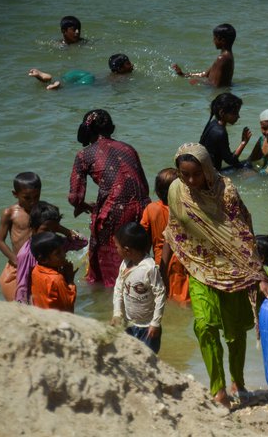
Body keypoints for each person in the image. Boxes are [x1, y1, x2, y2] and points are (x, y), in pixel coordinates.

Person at [163, 143, 268, 409]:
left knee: (234, 333)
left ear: (208, 169)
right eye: (184, 174)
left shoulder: (226, 193)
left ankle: (238, 381)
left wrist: (260, 274)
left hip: (232, 269)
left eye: (196, 174)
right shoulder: (176, 190)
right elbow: (173, 228)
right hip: (199, 266)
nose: (190, 180)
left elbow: (242, 235)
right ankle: (219, 390)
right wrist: (162, 266)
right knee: (204, 326)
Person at [68, 109, 151, 288]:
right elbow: (143, 184)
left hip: (115, 211)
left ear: (87, 130)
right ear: (110, 128)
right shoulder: (128, 148)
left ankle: (105, 301)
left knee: (107, 266)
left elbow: (75, 197)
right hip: (145, 207)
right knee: (138, 257)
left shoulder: (84, 154)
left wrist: (82, 205)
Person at [15, 201, 87, 305]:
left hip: (58, 291)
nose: (50, 233)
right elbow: (22, 286)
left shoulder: (56, 244)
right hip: (40, 299)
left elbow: (83, 242)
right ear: (33, 229)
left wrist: (63, 230)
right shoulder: (26, 254)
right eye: (45, 229)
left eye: (54, 230)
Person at [110, 222, 167, 353]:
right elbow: (118, 289)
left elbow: (160, 294)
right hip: (129, 324)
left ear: (127, 250)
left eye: (117, 247)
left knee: (148, 358)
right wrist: (117, 313)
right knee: (130, 356)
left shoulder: (149, 268)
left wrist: (156, 323)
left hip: (148, 327)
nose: (116, 250)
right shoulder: (125, 264)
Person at [140, 168, 189, 303]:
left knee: (163, 297)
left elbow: (142, 240)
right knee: (183, 300)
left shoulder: (151, 209)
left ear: (156, 190)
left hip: (160, 261)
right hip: (183, 262)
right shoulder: (185, 210)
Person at [0, 172, 41, 301]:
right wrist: (15, 260)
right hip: (17, 264)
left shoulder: (42, 210)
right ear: (15, 194)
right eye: (27, 198)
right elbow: (0, 241)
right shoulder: (9, 213)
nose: (33, 201)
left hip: (39, 263)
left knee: (39, 301)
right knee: (16, 300)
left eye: (36, 196)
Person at [172, 23, 236, 87]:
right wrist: (183, 74)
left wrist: (198, 81)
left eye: (214, 38)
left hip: (216, 94)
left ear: (222, 40)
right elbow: (205, 74)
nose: (213, 41)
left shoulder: (222, 58)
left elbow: (215, 85)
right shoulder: (227, 57)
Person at [199, 93, 251, 172]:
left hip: (202, 167)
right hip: (211, 173)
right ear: (222, 113)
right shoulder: (220, 132)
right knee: (248, 166)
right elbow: (230, 160)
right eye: (235, 113)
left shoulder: (213, 123)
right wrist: (244, 142)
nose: (238, 116)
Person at [30, 232, 77, 312]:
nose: (64, 255)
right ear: (43, 259)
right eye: (58, 253)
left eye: (63, 251)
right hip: (57, 320)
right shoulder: (57, 279)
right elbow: (68, 304)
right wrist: (70, 280)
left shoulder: (35, 270)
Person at [246, 109, 268, 173]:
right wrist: (246, 168)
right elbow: (252, 158)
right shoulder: (261, 139)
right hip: (261, 172)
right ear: (260, 125)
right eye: (264, 128)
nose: (267, 132)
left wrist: (254, 174)